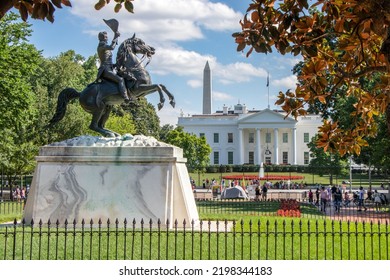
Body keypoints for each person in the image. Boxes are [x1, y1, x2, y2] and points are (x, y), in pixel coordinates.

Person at [96, 30, 130, 102]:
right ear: (101, 38)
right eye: (105, 37)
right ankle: (125, 97)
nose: (107, 39)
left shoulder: (104, 47)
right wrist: (115, 36)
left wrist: (116, 37)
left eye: (107, 37)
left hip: (110, 68)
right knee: (120, 79)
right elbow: (112, 47)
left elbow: (111, 48)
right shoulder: (101, 44)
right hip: (105, 69)